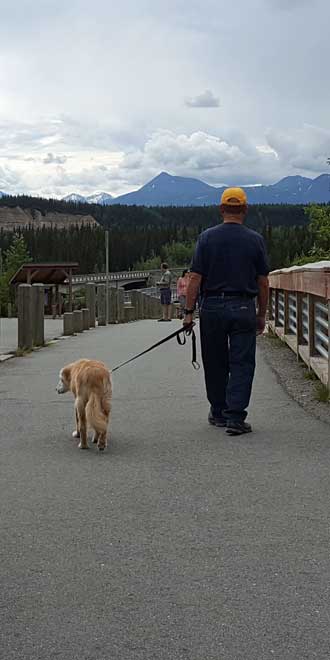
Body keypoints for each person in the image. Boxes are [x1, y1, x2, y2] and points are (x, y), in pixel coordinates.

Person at [183, 187, 269, 436]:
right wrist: (261, 314)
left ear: (221, 209)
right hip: (243, 306)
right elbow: (263, 281)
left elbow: (195, 279)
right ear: (245, 209)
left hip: (211, 307)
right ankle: (235, 417)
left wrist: (189, 313)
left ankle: (218, 412)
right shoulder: (255, 240)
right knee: (242, 362)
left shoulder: (207, 238)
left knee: (215, 360)